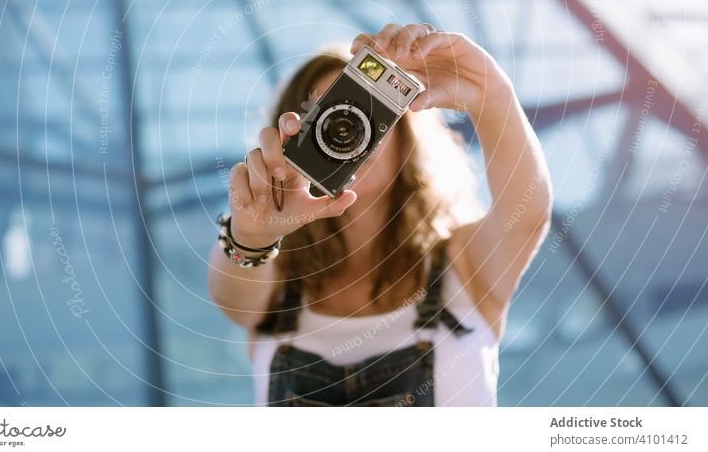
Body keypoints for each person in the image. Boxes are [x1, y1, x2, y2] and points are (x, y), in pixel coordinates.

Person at [208, 23, 553, 406]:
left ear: (404, 130)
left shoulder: (462, 261)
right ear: (292, 138)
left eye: (365, 112)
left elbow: (526, 215)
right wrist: (253, 237)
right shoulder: (276, 277)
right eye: (329, 116)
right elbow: (230, 300)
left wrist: (490, 94)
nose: (348, 129)